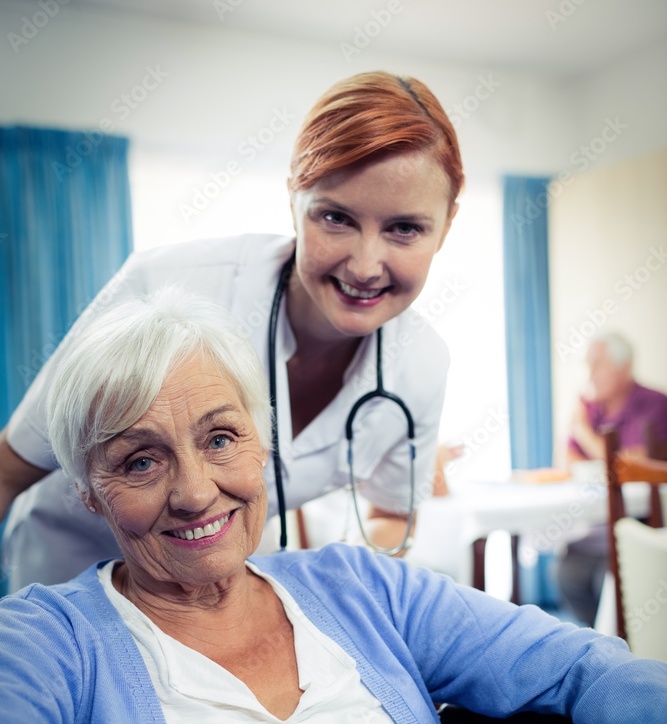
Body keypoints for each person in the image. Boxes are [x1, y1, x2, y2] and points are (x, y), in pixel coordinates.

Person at [1, 290, 666, 724]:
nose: (195, 492)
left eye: (220, 439)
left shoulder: (361, 589)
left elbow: (577, 666)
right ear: (89, 492)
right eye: (139, 461)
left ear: (262, 444)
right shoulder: (42, 641)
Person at [0, 70, 462, 591]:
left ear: (446, 225)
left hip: (213, 588)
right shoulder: (168, 284)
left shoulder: (423, 364)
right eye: (336, 218)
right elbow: (7, 471)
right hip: (69, 574)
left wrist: (333, 588)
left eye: (405, 228)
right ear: (294, 200)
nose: (364, 266)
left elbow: (391, 517)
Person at [558, 331, 667, 626]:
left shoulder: (655, 404)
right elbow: (568, 464)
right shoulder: (592, 408)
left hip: (639, 524)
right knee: (566, 572)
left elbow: (629, 467)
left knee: (606, 579)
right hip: (594, 527)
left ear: (625, 368)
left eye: (598, 364)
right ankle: (600, 639)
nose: (589, 373)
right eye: (587, 364)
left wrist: (583, 431)